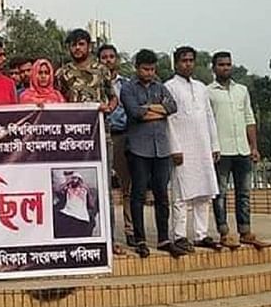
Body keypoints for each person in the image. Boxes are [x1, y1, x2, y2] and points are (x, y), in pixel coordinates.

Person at [53, 29, 121, 255]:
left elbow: (113, 97)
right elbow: (58, 101)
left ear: (89, 46)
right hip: (73, 140)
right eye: (73, 45)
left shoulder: (102, 70)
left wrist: (108, 108)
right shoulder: (62, 73)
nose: (77, 49)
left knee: (104, 188)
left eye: (81, 44)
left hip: (102, 135)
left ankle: (109, 239)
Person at [120, 49, 184, 259]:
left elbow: (172, 107)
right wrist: (158, 111)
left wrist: (149, 109)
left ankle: (164, 238)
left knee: (161, 195)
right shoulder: (128, 88)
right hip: (139, 148)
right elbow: (135, 113)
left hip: (161, 149)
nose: (149, 73)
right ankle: (140, 239)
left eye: (152, 69)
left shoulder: (160, 86)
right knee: (138, 194)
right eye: (145, 69)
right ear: (137, 68)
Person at [207, 51, 271, 250]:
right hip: (221, 150)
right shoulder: (208, 92)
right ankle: (224, 232)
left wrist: (254, 147)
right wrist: (210, 147)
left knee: (244, 193)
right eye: (221, 65)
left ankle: (245, 231)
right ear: (214, 68)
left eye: (228, 64)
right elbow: (207, 123)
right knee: (220, 194)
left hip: (242, 149)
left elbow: (249, 119)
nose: (225, 68)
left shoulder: (242, 90)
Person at [164, 47, 223, 253]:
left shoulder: (201, 88)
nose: (187, 64)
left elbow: (208, 117)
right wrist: (174, 148)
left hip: (202, 146)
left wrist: (214, 145)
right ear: (176, 64)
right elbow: (168, 120)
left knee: (204, 192)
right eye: (183, 61)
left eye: (190, 60)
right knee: (181, 194)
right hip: (182, 148)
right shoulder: (169, 87)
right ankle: (179, 235)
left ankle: (201, 234)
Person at [98, 43, 134, 247]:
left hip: (121, 136)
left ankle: (129, 231)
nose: (108, 60)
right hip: (100, 135)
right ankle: (106, 234)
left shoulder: (126, 84)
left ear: (117, 60)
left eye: (112, 56)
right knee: (102, 187)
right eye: (104, 57)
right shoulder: (94, 81)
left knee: (126, 187)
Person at [53, 171, 99, 238]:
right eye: (74, 178)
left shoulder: (84, 190)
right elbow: (57, 190)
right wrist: (67, 182)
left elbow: (91, 205)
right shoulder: (68, 189)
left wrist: (88, 191)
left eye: (77, 179)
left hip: (81, 217)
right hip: (67, 214)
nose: (75, 180)